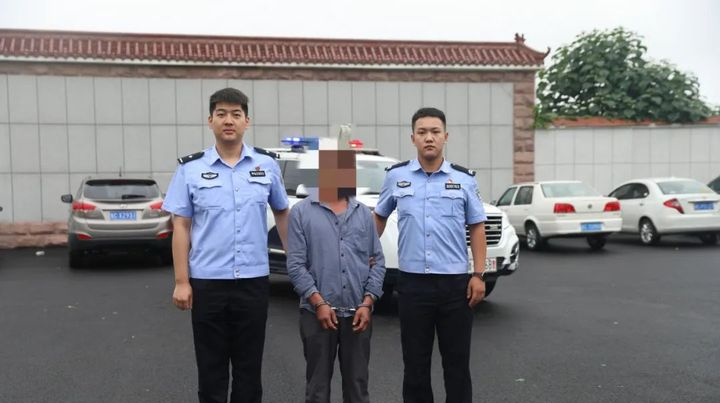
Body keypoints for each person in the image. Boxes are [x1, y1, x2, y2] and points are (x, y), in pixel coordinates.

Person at [162, 87, 290, 403]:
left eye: (235, 114)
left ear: (247, 121)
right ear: (211, 121)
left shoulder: (267, 165)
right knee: (211, 369)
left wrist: (297, 264)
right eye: (221, 114)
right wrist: (181, 281)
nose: (228, 120)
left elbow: (282, 213)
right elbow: (181, 226)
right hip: (207, 284)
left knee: (249, 369)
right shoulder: (190, 169)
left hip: (252, 282)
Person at [373, 107, 488, 403]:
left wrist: (478, 274)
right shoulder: (396, 177)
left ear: (445, 137)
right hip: (413, 285)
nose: (429, 138)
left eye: (435, 132)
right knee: (415, 365)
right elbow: (379, 217)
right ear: (412, 138)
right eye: (422, 132)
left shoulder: (464, 179)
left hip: (455, 287)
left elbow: (477, 227)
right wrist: (365, 254)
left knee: (457, 365)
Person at [286, 138, 386, 403]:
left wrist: (368, 302)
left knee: (357, 389)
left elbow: (377, 260)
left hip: (357, 315)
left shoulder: (363, 214)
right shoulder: (301, 213)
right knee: (317, 389)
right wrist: (318, 302)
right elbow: (295, 265)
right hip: (316, 314)